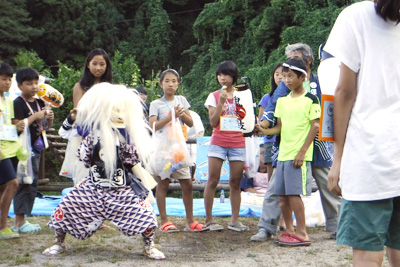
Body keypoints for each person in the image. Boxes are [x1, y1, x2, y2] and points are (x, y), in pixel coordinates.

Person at [43, 83, 165, 259]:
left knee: (146, 215)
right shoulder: (91, 132)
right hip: (93, 187)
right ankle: (58, 242)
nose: (117, 114)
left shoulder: (128, 135)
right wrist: (73, 119)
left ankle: (149, 246)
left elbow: (135, 157)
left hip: (121, 188)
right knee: (66, 207)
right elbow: (68, 135)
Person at [325, 1, 400, 266]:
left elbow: (345, 92)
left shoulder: (356, 16)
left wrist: (338, 158)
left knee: (368, 248)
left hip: (370, 154)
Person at [251, 43, 341, 242]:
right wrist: (263, 125)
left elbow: (331, 108)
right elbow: (272, 109)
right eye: (289, 59)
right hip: (288, 144)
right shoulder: (284, 86)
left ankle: (338, 225)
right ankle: (267, 227)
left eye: (296, 58)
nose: (291, 63)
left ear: (309, 61)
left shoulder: (321, 81)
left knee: (328, 182)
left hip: (317, 141)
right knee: (276, 188)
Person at [255, 58, 320, 246]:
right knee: (282, 197)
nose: (287, 80)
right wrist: (264, 130)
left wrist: (302, 152)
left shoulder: (311, 99)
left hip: (298, 156)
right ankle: (289, 230)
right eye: (284, 77)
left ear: (302, 77)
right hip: (282, 154)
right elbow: (279, 128)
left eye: (291, 76)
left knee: (294, 194)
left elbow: (315, 127)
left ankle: (302, 232)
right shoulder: (282, 101)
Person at [149, 69, 207, 233]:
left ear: (178, 84)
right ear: (161, 84)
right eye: (167, 81)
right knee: (163, 183)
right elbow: (152, 126)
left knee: (187, 183)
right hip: (163, 151)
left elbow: (190, 123)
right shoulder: (156, 104)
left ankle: (190, 220)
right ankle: (164, 220)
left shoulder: (181, 100)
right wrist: (170, 117)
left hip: (179, 150)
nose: (171, 84)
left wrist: (181, 113)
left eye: (174, 81)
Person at [203, 61, 248, 232]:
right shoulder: (213, 96)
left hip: (238, 142)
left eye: (226, 74)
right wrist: (221, 103)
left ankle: (235, 220)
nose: (222, 78)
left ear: (233, 76)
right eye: (220, 74)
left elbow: (247, 121)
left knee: (235, 182)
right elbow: (213, 123)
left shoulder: (242, 95)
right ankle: (209, 220)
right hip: (218, 142)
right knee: (212, 180)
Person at [12, 67, 54, 233]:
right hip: (22, 151)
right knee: (23, 183)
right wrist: (34, 117)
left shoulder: (40, 102)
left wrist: (49, 119)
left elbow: (45, 127)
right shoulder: (17, 103)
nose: (34, 87)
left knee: (32, 183)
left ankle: (22, 221)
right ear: (20, 85)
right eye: (29, 84)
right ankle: (19, 222)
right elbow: (17, 126)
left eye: (36, 83)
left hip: (36, 150)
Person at [0, 63, 25, 239]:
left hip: (9, 148)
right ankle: (3, 227)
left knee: (5, 186)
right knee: (13, 183)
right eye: (4, 79)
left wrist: (18, 125)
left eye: (10, 79)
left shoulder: (8, 101)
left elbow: (7, 125)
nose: (8, 83)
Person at [258, 63, 284, 181]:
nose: (279, 77)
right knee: (272, 179)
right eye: (276, 74)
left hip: (288, 142)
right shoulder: (266, 98)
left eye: (283, 74)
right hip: (270, 141)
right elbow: (261, 119)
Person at [186, 110, 205, 180]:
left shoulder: (193, 115)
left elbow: (200, 131)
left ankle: (193, 177)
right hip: (176, 141)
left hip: (192, 141)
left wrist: (199, 141)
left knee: (194, 155)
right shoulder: (170, 113)